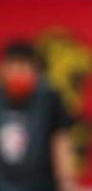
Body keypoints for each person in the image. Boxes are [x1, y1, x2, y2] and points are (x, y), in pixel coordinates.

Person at [0, 40, 77, 191]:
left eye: (23, 67)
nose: (18, 73)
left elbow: (61, 142)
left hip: (40, 185)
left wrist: (67, 182)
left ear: (35, 71)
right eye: (13, 67)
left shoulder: (49, 98)